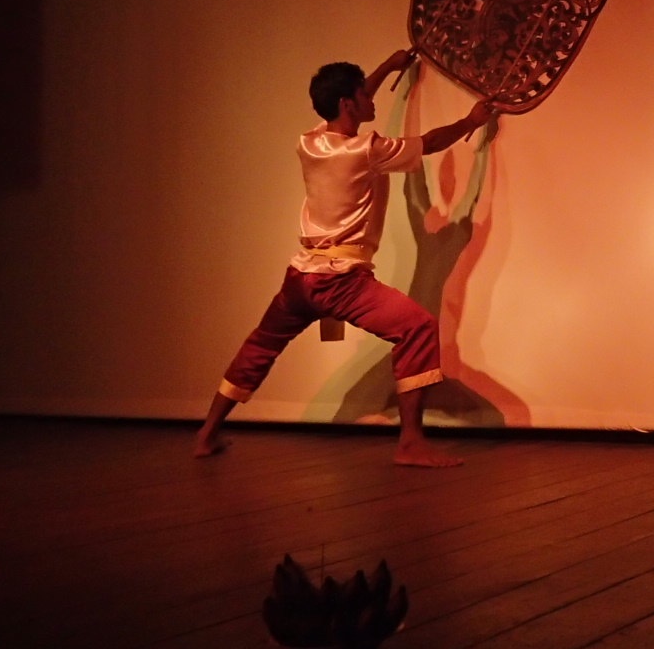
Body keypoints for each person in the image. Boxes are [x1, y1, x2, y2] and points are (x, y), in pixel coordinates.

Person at [193, 49, 498, 467]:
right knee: (419, 328)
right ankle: (410, 442)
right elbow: (428, 144)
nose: (372, 101)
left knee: (261, 344)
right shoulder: (364, 150)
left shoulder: (311, 142)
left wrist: (388, 69)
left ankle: (207, 434)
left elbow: (348, 106)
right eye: (363, 95)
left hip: (300, 278)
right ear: (347, 103)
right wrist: (471, 122)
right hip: (340, 282)